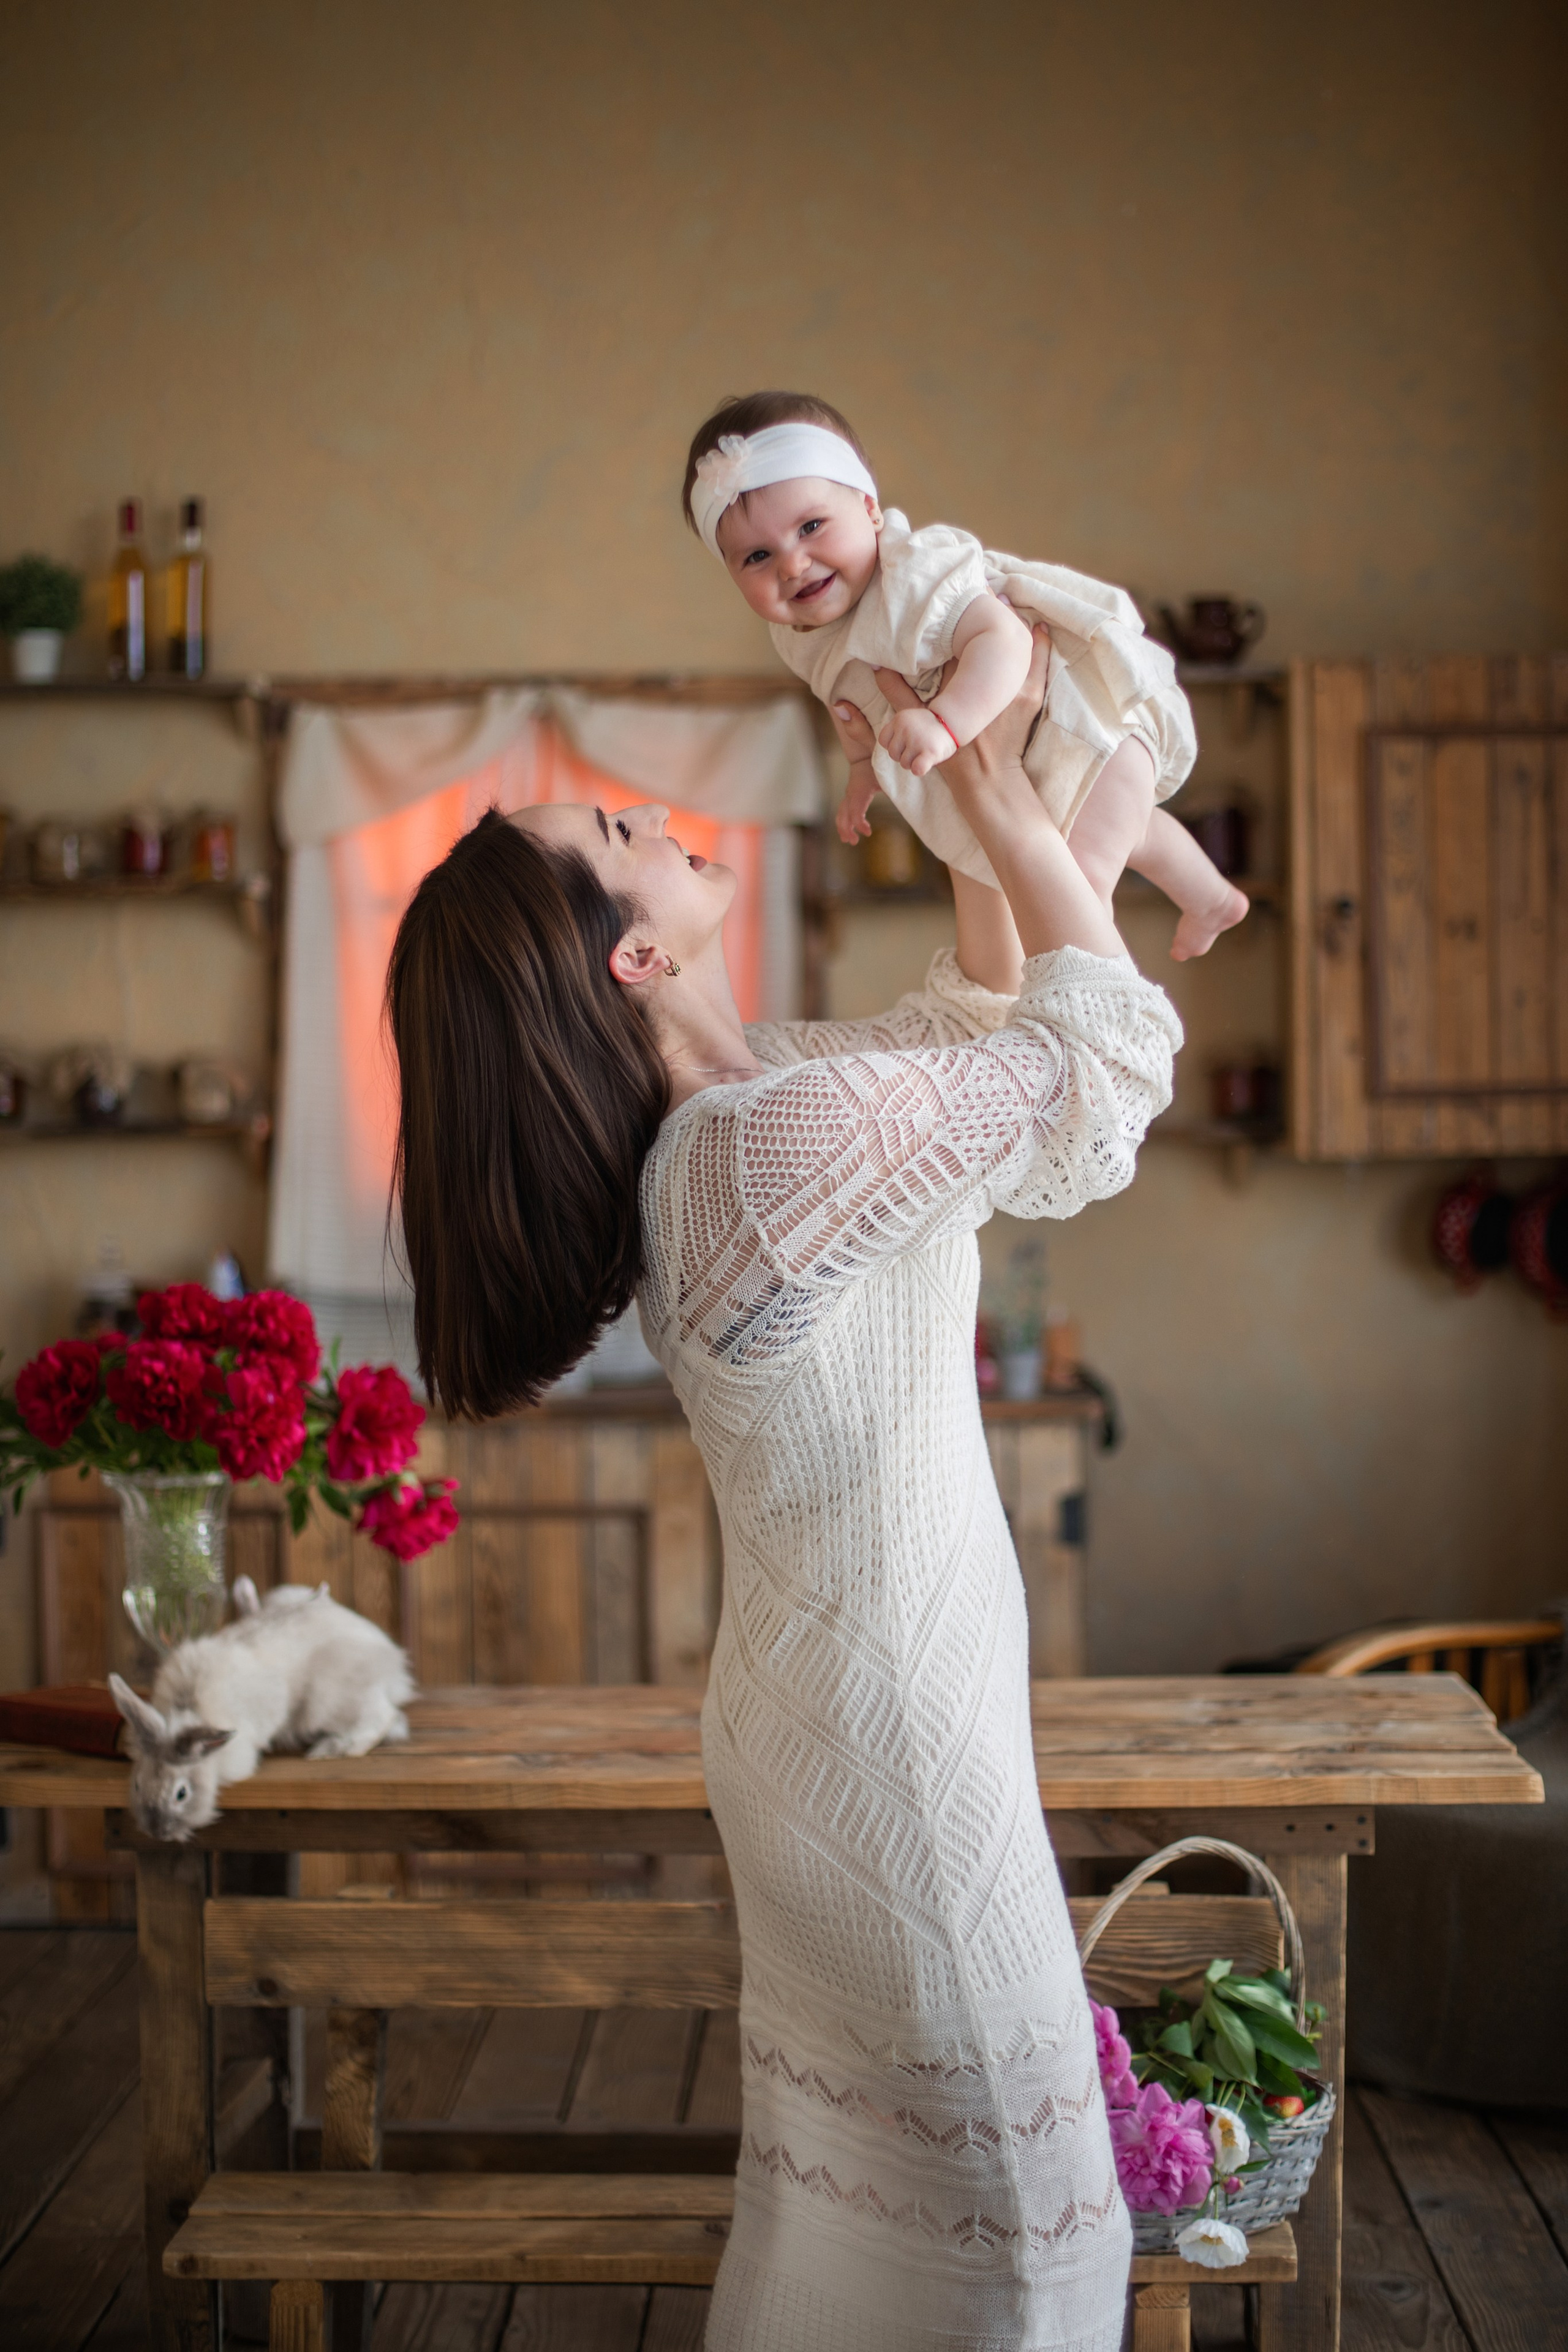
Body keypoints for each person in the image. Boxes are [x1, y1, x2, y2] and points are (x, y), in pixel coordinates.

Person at [386, 633, 1181, 2351]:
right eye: (621, 822)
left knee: (892, 2243)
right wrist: (987, 790)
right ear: (639, 955)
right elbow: (1100, 1084)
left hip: (853, 1718)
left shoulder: (771, 1104)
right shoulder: (756, 1154)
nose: (661, 815)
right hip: (888, 1739)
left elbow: (980, 1024)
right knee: (1030, 2253)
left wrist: (987, 807)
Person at [684, 389, 1248, 960]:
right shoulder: (799, 634)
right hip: (1036, 764)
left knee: (1076, 881)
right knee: (1132, 834)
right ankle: (1210, 898)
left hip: (1082, 727)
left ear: (870, 509)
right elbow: (849, 705)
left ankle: (1091, 1011)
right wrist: (861, 769)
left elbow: (1004, 643)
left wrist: (945, 724)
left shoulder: (913, 573)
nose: (792, 564)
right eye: (757, 557)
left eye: (811, 526)